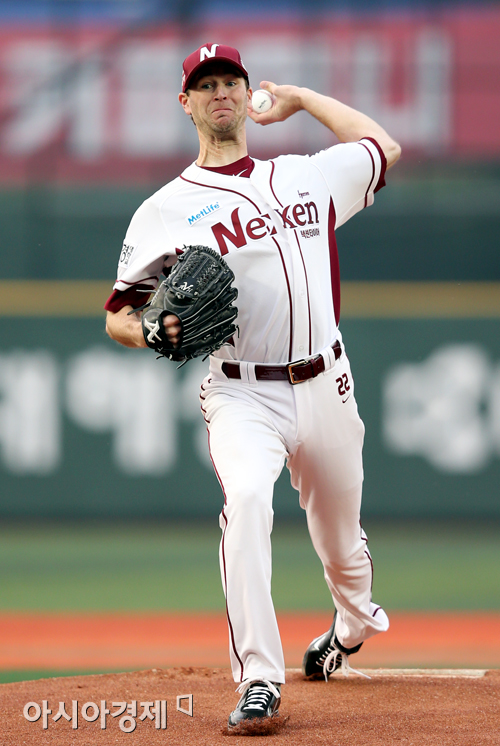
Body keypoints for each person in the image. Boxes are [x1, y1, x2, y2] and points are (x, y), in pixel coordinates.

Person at [105, 42, 401, 730]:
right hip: (241, 392)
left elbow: (382, 147)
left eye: (230, 82)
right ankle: (260, 679)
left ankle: (351, 626)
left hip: (327, 383)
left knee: (343, 548)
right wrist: (150, 330)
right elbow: (118, 314)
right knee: (244, 502)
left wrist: (302, 99)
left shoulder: (305, 176)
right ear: (186, 103)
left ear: (246, 95)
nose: (220, 93)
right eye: (205, 84)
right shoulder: (164, 209)